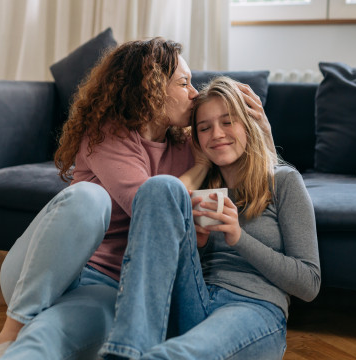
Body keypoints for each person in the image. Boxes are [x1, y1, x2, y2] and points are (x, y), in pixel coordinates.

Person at [0, 37, 273, 359]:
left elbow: (250, 167)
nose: (194, 94)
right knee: (88, 197)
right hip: (48, 269)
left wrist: (262, 128)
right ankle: (13, 325)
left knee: (49, 337)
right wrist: (199, 169)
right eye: (184, 83)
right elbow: (152, 206)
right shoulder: (106, 135)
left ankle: (25, 338)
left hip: (106, 285)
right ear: (150, 88)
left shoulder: (189, 141)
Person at [98, 77, 321, 360]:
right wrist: (198, 244)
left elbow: (310, 285)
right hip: (195, 299)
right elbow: (168, 251)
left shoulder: (284, 181)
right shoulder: (203, 188)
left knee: (173, 355)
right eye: (204, 128)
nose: (216, 134)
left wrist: (239, 238)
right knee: (160, 187)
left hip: (252, 307)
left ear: (248, 124)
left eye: (228, 122)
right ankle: (126, 350)